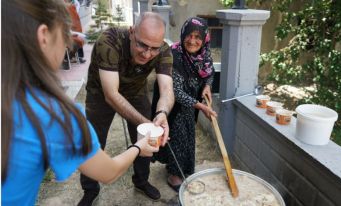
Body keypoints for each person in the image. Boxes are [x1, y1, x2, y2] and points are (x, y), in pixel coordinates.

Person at [1, 1, 158, 205]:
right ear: (43, 36)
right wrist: (139, 146)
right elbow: (109, 172)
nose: (69, 44)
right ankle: (90, 191)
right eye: (65, 33)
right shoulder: (53, 115)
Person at [79, 12, 174, 204]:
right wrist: (147, 123)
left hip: (135, 91)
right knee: (93, 141)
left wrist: (162, 113)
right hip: (101, 93)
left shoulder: (163, 49)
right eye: (141, 45)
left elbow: (166, 89)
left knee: (145, 140)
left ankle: (141, 181)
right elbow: (111, 95)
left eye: (153, 49)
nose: (147, 54)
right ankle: (90, 189)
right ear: (132, 32)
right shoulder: (109, 41)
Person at [152, 17, 217, 192]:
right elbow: (177, 92)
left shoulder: (204, 54)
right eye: (189, 35)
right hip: (173, 105)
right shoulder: (174, 55)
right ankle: (174, 175)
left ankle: (182, 169)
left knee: (188, 136)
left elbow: (209, 73)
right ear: (183, 34)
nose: (193, 41)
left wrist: (207, 86)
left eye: (198, 37)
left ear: (204, 39)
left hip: (191, 106)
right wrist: (202, 106)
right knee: (178, 137)